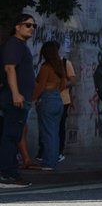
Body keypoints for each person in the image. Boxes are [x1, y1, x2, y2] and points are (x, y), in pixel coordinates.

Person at [0, 14, 38, 188]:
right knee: (10, 135)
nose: (31, 28)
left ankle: (10, 172)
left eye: (33, 26)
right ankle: (7, 175)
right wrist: (16, 93)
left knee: (13, 135)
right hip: (14, 99)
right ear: (18, 27)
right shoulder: (14, 44)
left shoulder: (20, 46)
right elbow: (9, 68)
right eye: (28, 25)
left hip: (21, 99)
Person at [31, 39, 69, 170]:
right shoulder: (60, 67)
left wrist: (32, 98)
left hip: (47, 99)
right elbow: (64, 86)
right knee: (54, 132)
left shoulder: (46, 67)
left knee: (47, 132)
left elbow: (40, 86)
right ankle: (52, 160)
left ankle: (48, 162)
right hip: (58, 99)